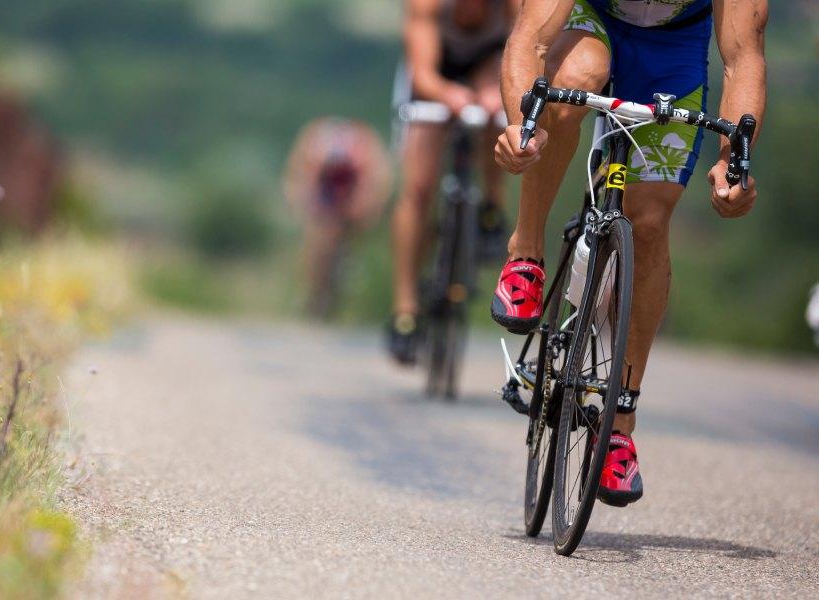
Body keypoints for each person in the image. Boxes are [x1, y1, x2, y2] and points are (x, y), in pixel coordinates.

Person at [492, 0, 767, 505]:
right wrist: (519, 128)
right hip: (591, 18)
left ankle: (618, 420)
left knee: (648, 223)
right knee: (575, 80)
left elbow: (742, 57)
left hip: (672, 45)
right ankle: (526, 250)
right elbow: (529, 37)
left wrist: (735, 164)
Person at [387, 0, 519, 365]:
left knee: (499, 115)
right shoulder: (428, 5)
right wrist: (450, 96)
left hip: (488, 66)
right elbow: (423, 76)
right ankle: (405, 308)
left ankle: (492, 206)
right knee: (418, 188)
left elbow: (522, 51)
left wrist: (499, 93)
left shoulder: (509, 6)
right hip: (433, 73)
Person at [284, 118, 391, 319]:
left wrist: (366, 209)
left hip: (351, 194)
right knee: (317, 239)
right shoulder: (314, 140)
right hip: (324, 195)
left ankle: (347, 269)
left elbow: (375, 182)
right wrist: (303, 204)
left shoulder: (365, 144)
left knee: (348, 235)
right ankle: (311, 287)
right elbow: (299, 176)